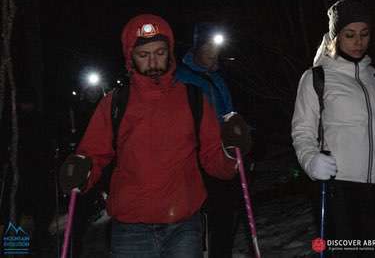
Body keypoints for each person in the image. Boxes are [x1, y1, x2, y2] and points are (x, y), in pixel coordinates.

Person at [59, 14, 250, 258]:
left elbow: (214, 160)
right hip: (131, 228)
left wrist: (230, 151)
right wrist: (80, 171)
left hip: (183, 224)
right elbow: (93, 154)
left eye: (160, 52)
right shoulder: (116, 103)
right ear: (130, 57)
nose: (153, 61)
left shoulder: (192, 98)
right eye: (144, 54)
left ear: (169, 51)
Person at [292, 0, 375, 258]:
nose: (358, 41)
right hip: (340, 190)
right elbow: (302, 132)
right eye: (349, 35)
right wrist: (310, 161)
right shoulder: (316, 78)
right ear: (334, 36)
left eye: (364, 34)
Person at [176, 22, 250, 258]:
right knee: (201, 216)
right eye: (208, 47)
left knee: (225, 213)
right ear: (197, 47)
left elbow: (228, 112)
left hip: (223, 155)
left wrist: (243, 131)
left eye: (216, 48)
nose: (213, 53)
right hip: (196, 158)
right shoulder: (181, 78)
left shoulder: (217, 78)